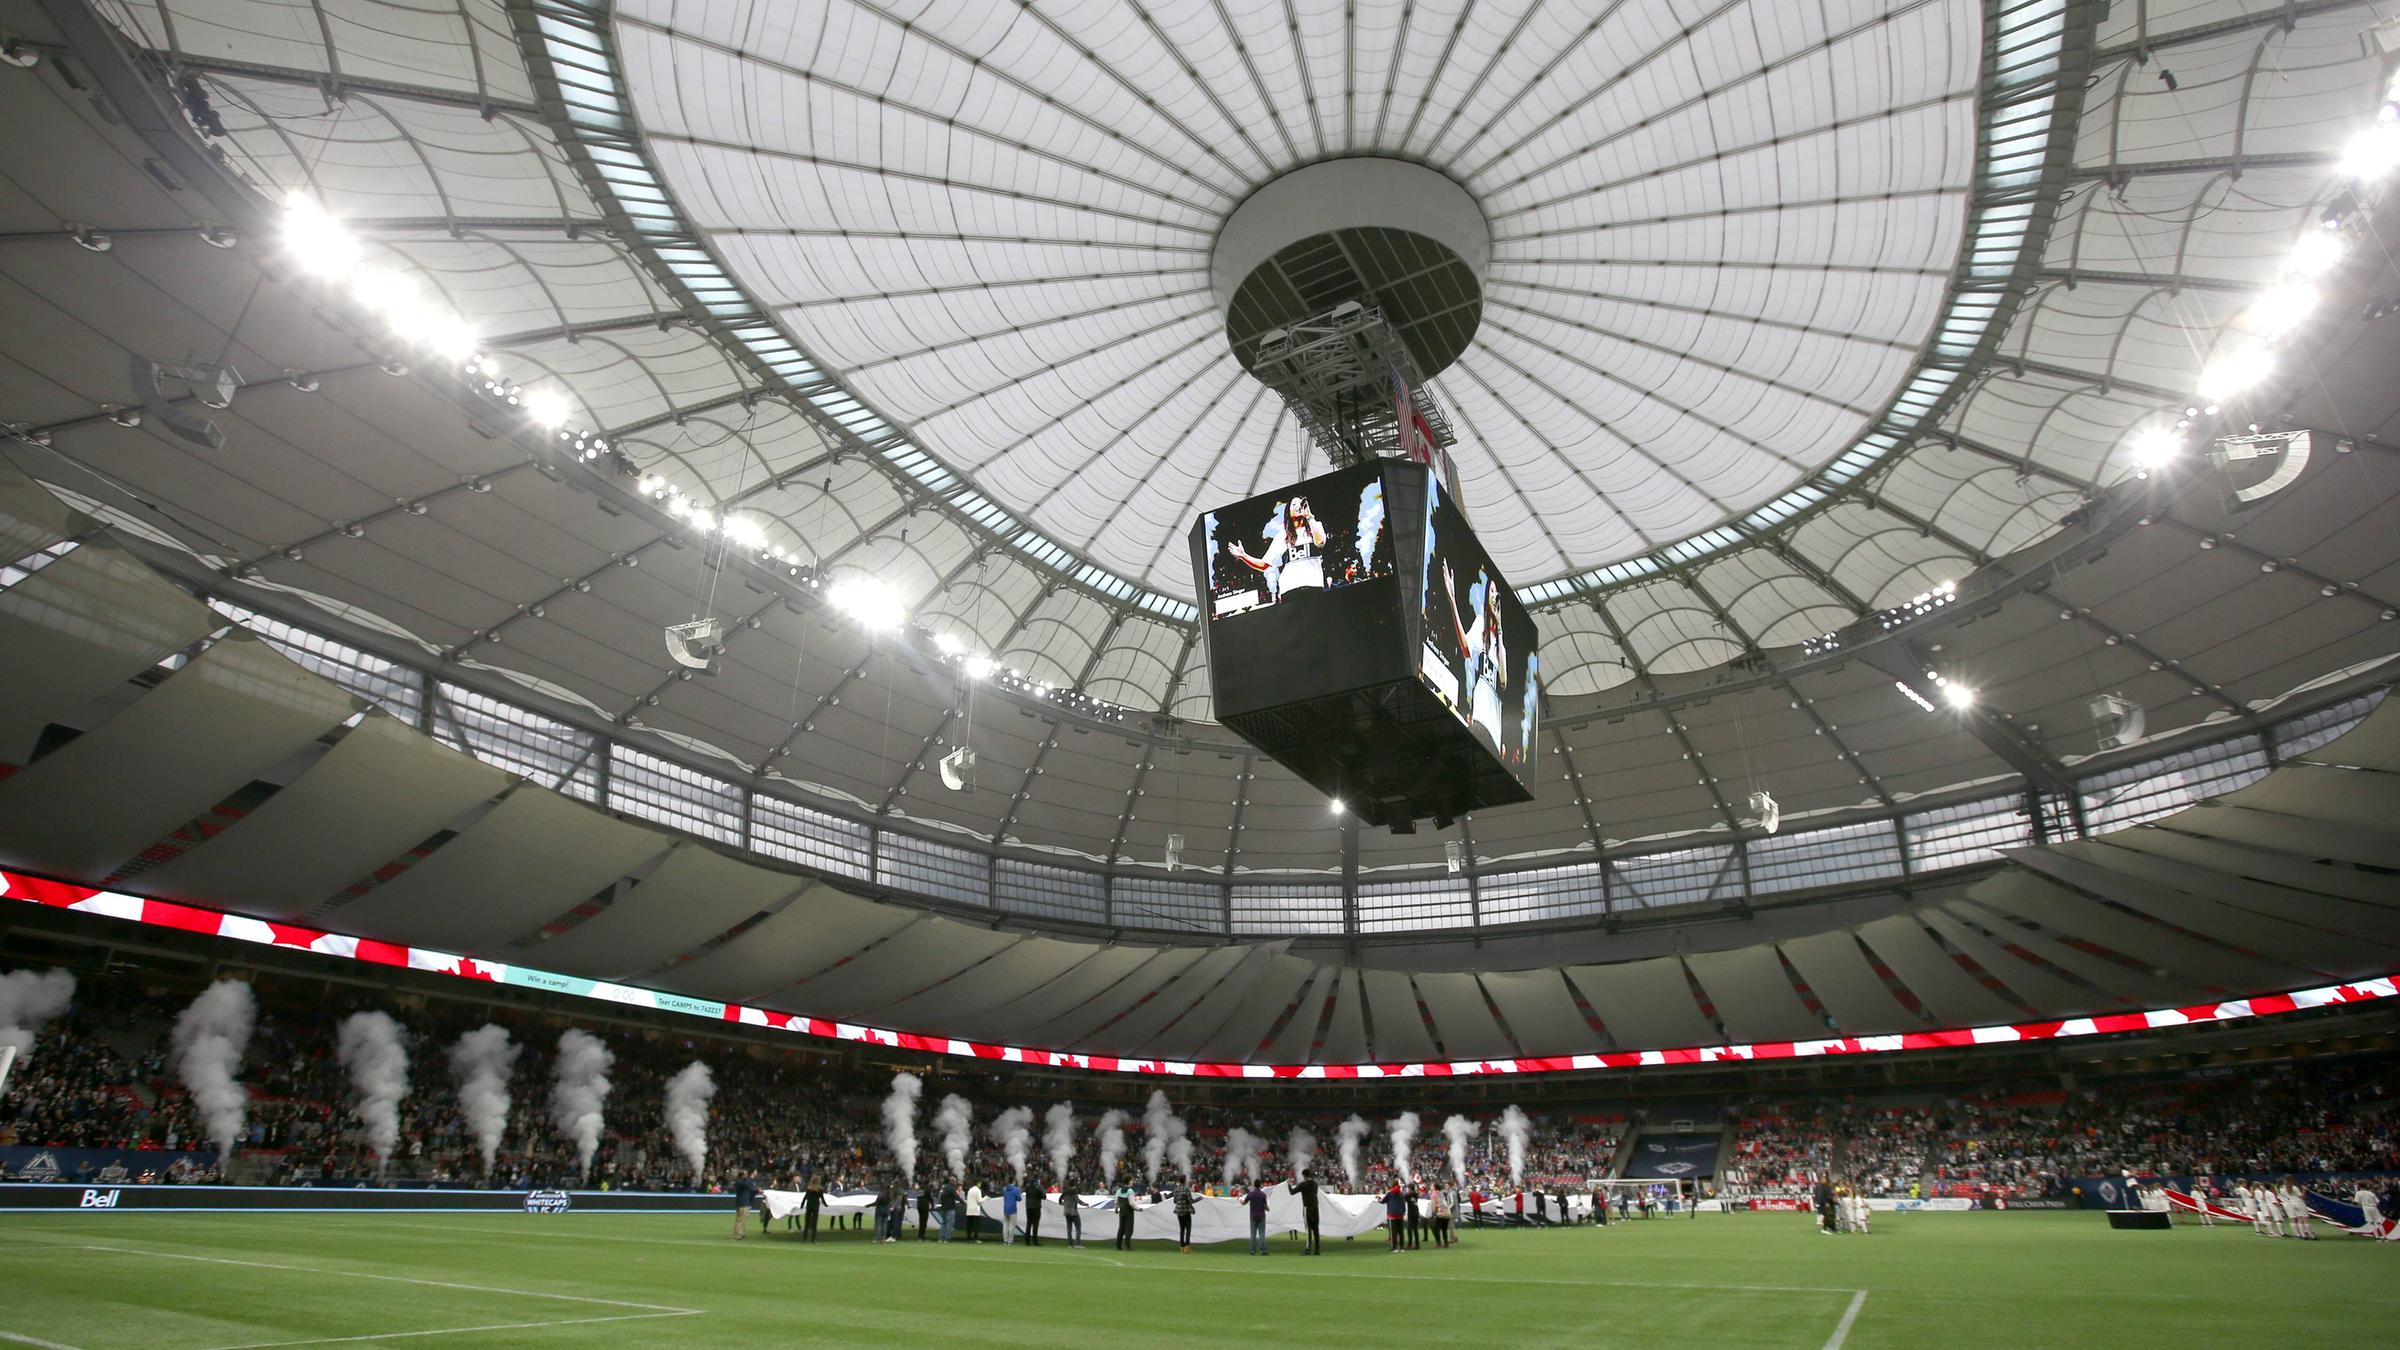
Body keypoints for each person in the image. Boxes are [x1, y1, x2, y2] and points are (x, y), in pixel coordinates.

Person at [1438, 561, 1509, 749]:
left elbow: (1503, 681)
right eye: (1491, 591)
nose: (1495, 596)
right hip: (1480, 719)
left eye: (1496, 592)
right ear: (1486, 597)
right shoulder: (1480, 624)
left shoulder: (1500, 645)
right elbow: (1466, 649)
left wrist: (1499, 629)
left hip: (1495, 732)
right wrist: (1452, 601)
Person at [1227, 495, 1327, 603]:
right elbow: (1264, 564)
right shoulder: (1282, 536)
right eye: (1294, 504)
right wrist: (1243, 556)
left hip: (1314, 588)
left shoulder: (1315, 526)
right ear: (1288, 511)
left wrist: (1309, 516)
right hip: (1290, 591)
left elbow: (1320, 542)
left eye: (1300, 503)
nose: (1298, 506)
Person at [1295, 1169, 1321, 1255]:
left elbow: (1292, 1192)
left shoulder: (1303, 1184)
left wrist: (1287, 1185)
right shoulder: (1315, 1184)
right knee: (1316, 1229)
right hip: (1315, 1208)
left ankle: (1308, 1248)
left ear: (1304, 1175)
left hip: (1307, 1208)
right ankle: (1317, 1249)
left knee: (1308, 1229)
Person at [1246, 1180, 1270, 1256]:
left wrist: (1239, 1199)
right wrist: (1268, 1208)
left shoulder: (1251, 1194)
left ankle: (1252, 1251)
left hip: (1253, 1215)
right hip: (1261, 1215)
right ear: (1260, 1185)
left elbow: (1244, 1202)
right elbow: (1265, 1206)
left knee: (1253, 1234)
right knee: (1262, 1233)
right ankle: (1263, 1250)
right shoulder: (1263, 1195)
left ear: (1254, 1185)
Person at [731, 1170, 757, 1241]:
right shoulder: (740, 1182)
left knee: (743, 1219)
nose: (747, 1176)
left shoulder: (742, 1182)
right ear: (741, 1175)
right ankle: (737, 1235)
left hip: (744, 1203)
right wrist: (757, 1189)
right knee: (740, 1220)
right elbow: (751, 1188)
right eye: (745, 1174)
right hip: (743, 1203)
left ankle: (741, 1233)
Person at [1173, 1181, 1196, 1253]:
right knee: (1188, 1229)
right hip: (1186, 1210)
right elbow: (1190, 1200)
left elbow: (1174, 1201)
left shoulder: (1176, 1190)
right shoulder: (1186, 1189)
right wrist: (1197, 1200)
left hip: (1179, 1211)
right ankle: (1187, 1247)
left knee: (1182, 1229)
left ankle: (1181, 1247)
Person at [1384, 1182, 1407, 1252]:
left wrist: (1378, 1200)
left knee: (1393, 1232)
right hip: (1400, 1215)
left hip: (1392, 1215)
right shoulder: (1401, 1193)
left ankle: (1394, 1247)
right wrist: (1403, 1212)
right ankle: (1402, 1247)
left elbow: (1383, 1201)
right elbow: (1403, 1204)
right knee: (1401, 1232)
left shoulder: (1390, 1193)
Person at [1061, 1177, 1084, 1248]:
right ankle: (1077, 1243)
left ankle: (1070, 1244)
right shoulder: (1074, 1191)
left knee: (1069, 1228)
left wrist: (1063, 1204)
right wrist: (1085, 1204)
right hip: (1073, 1212)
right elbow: (1078, 1200)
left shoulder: (1065, 1192)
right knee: (1078, 1227)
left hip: (1066, 1211)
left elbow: (1060, 1199)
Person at [802, 1172, 824, 1244]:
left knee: (806, 1223)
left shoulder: (809, 1188)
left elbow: (805, 1197)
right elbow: (822, 1198)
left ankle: (805, 1239)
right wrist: (826, 1205)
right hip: (815, 1207)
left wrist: (801, 1205)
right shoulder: (820, 1189)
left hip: (809, 1206)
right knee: (814, 1224)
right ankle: (813, 1239)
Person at [1115, 1181, 1137, 1251]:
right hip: (1129, 1211)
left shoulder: (1119, 1190)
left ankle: (1118, 1245)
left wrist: (1116, 1208)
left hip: (1122, 1211)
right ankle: (1127, 1246)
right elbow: (1131, 1203)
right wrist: (1138, 1208)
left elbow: (1116, 1201)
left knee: (1121, 1229)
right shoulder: (1130, 1191)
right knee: (1129, 1229)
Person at [1025, 1180, 1045, 1246]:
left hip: (1029, 1207)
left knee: (1029, 1224)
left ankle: (1027, 1240)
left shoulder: (1027, 1188)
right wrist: (1041, 1188)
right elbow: (1044, 1196)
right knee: (1035, 1224)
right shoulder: (1038, 1189)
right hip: (1036, 1207)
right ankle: (1035, 1240)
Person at [1002, 1179, 1022, 1245]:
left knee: (1005, 1225)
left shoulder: (1005, 1189)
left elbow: (1004, 1198)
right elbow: (1019, 1199)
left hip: (1005, 1209)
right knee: (1012, 1225)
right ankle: (1010, 1240)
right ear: (1014, 1182)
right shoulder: (1015, 1189)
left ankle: (1005, 1240)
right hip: (1013, 1209)